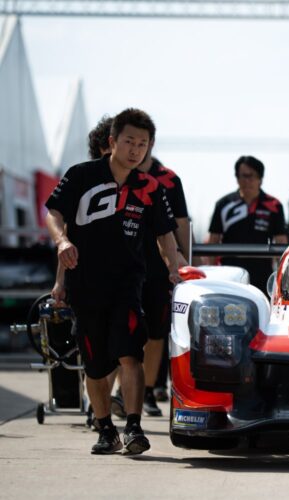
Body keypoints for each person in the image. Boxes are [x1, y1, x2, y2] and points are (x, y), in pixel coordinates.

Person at [46, 108, 181, 455]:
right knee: (94, 363)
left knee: (129, 354)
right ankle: (106, 430)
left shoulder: (150, 187)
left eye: (143, 144)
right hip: (86, 285)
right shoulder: (81, 176)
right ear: (112, 142)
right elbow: (54, 213)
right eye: (129, 141)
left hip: (128, 285)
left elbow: (165, 235)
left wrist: (174, 268)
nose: (136, 150)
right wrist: (62, 242)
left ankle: (134, 427)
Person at [136, 142, 191, 417]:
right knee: (125, 335)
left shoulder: (167, 181)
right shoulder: (116, 178)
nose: (136, 149)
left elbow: (179, 224)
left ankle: (147, 390)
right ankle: (119, 396)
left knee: (156, 333)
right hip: (124, 267)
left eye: (142, 143)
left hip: (159, 269)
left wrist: (184, 262)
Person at [208, 156, 287, 292]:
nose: (246, 181)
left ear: (260, 179)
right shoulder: (223, 205)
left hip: (262, 276)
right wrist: (210, 276)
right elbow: (212, 242)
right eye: (243, 176)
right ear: (237, 178)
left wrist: (282, 279)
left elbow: (281, 243)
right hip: (230, 275)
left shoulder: (274, 205)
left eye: (251, 176)